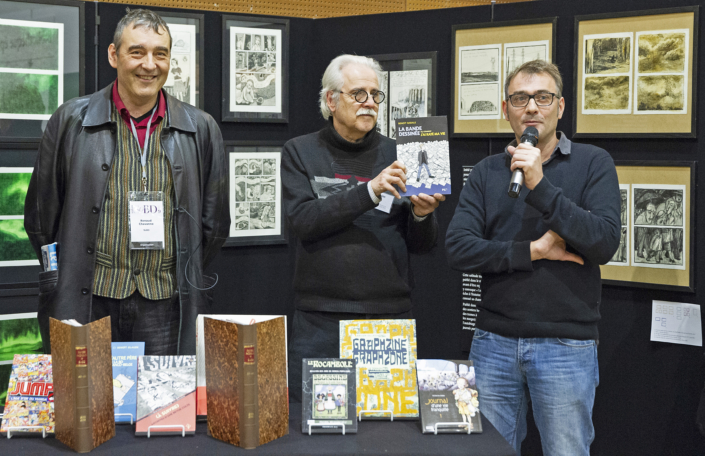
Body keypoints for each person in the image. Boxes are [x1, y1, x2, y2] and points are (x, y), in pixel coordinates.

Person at [24, 8, 230, 356]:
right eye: (137, 52)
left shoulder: (201, 127)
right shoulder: (72, 120)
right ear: (113, 55)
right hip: (88, 298)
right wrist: (62, 276)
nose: (149, 64)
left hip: (165, 303)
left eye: (160, 54)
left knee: (163, 410)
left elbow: (214, 224)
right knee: (89, 406)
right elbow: (41, 218)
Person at [446, 60, 620, 455]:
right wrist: (534, 251)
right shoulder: (489, 171)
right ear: (505, 109)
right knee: (487, 450)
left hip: (566, 345)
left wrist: (540, 184)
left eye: (543, 97)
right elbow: (458, 247)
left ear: (560, 107)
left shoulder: (594, 163)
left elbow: (604, 242)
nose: (531, 108)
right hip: (493, 342)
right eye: (520, 98)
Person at [282, 54, 444, 401]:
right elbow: (304, 221)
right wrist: (370, 190)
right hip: (320, 321)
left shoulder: (406, 152)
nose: (369, 102)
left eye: (375, 94)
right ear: (331, 99)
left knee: (388, 433)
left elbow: (423, 246)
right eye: (359, 94)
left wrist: (421, 214)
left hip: (389, 318)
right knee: (317, 432)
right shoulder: (300, 151)